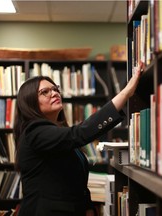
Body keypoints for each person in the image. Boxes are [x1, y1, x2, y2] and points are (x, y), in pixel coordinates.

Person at [13, 64, 143, 216]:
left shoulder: (56, 133)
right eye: (45, 92)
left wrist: (87, 207)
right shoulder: (35, 131)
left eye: (55, 89)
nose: (54, 93)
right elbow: (81, 133)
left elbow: (73, 180)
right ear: (30, 102)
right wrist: (126, 93)